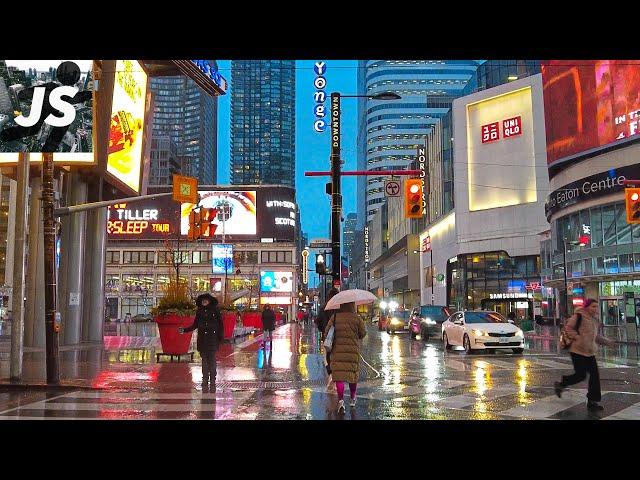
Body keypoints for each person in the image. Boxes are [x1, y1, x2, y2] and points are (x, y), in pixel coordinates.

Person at [554, 298, 615, 411]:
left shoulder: (595, 320)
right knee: (581, 375)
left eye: (596, 306)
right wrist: (578, 338)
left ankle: (592, 401)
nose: (595, 309)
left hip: (590, 352)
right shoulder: (579, 316)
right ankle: (562, 384)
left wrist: (607, 342)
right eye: (593, 306)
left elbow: (595, 337)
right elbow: (568, 328)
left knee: (595, 377)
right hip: (577, 351)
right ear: (586, 307)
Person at [324, 301, 366, 413]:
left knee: (339, 377)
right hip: (353, 351)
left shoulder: (335, 317)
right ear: (352, 306)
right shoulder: (357, 318)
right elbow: (363, 333)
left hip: (337, 351)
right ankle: (352, 398)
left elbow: (326, 332)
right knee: (352, 375)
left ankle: (341, 401)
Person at [178, 293, 223, 392]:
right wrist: (185, 330)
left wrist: (220, 337)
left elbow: (220, 324)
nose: (204, 302)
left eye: (206, 300)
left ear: (209, 301)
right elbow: (195, 325)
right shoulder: (200, 311)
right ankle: (205, 379)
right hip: (202, 339)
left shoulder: (215, 310)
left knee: (211, 359)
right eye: (203, 301)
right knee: (204, 360)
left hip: (212, 338)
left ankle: (212, 379)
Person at [316, 288, 339, 377]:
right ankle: (335, 374)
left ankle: (330, 373)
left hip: (327, 336)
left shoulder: (324, 307)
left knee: (328, 354)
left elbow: (318, 321)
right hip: (338, 335)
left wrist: (323, 330)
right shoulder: (340, 308)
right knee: (337, 354)